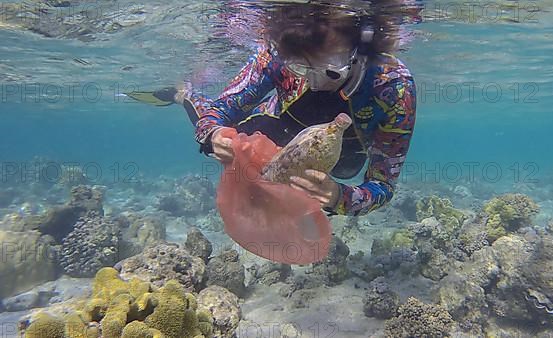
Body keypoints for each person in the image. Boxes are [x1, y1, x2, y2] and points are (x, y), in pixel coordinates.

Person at [132, 3, 418, 217]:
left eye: (329, 72)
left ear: (361, 54)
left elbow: (384, 184)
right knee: (233, 138)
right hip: (274, 131)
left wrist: (340, 198)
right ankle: (184, 94)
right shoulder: (275, 54)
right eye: (299, 68)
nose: (313, 83)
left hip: (346, 159)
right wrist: (213, 134)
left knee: (344, 170)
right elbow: (218, 111)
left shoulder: (394, 87)